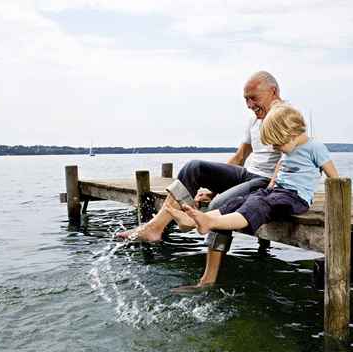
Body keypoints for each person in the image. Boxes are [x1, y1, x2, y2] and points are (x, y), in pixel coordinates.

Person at [116, 71, 283, 282]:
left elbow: (288, 159)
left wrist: (270, 189)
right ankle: (156, 227)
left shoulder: (286, 116)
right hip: (247, 175)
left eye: (253, 98)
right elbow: (240, 156)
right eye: (245, 99)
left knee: (220, 204)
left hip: (267, 182)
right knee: (194, 167)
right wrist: (214, 186)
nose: (249, 104)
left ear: (273, 91)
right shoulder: (254, 121)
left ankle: (208, 278)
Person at [166, 103, 339, 290]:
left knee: (259, 204)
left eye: (277, 144)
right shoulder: (288, 147)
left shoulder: (315, 148)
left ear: (292, 133)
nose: (276, 148)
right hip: (276, 192)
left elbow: (335, 179)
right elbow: (280, 168)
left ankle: (209, 222)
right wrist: (271, 186)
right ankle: (195, 222)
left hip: (295, 198)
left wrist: (337, 206)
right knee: (241, 201)